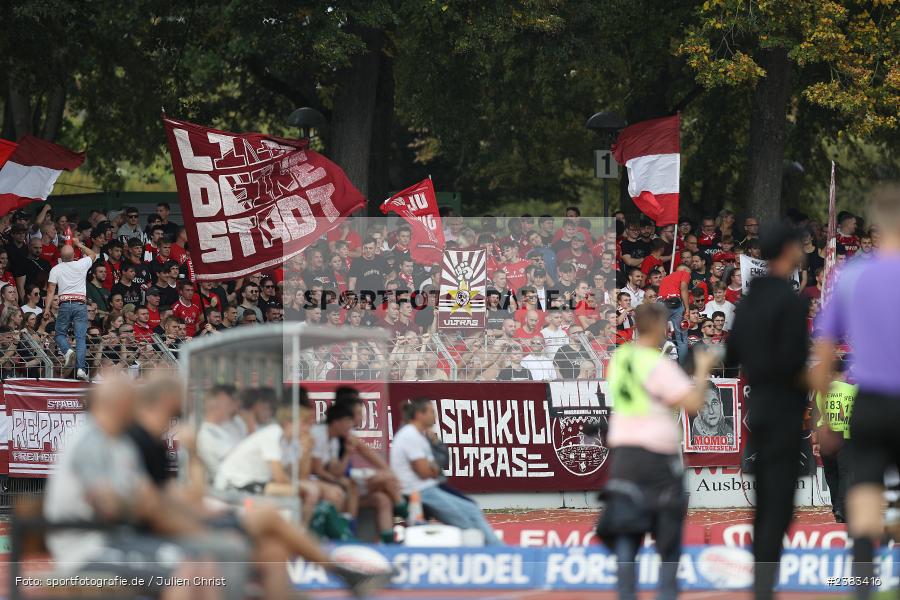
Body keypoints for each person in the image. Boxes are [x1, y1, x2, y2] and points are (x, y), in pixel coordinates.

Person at [811, 184, 900, 600]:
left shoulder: (851, 275)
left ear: (875, 226)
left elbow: (824, 353)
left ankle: (863, 583)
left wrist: (827, 418)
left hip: (869, 400)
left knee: (863, 491)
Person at [601, 303, 715, 600]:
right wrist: (702, 370)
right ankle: (666, 593)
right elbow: (692, 404)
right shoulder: (657, 363)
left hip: (624, 453)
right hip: (656, 456)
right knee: (668, 533)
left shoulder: (620, 357)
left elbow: (646, 395)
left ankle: (625, 594)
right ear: (660, 326)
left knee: (626, 528)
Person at [725, 224, 809, 600]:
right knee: (779, 504)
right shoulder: (791, 302)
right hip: (784, 410)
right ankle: (764, 588)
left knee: (764, 504)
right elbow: (794, 361)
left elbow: (731, 357)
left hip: (757, 407)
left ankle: (759, 584)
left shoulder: (748, 302)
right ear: (788, 251)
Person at [390, 397, 502, 545]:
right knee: (465, 522)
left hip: (426, 489)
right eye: (431, 412)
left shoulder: (417, 435)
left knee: (471, 510)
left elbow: (432, 468)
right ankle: (492, 550)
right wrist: (433, 468)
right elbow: (425, 472)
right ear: (419, 414)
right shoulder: (410, 435)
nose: (435, 416)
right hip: (420, 492)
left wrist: (432, 468)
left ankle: (496, 547)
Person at [45, 238, 99, 380]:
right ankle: (81, 369)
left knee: (59, 335)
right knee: (81, 338)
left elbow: (50, 291)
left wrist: (46, 309)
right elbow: (93, 254)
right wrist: (79, 244)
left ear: (60, 257)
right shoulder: (81, 264)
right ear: (74, 255)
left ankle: (67, 351)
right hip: (81, 304)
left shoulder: (55, 269)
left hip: (64, 304)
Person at [812, 360, 856, 524]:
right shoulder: (853, 391)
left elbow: (817, 418)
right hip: (846, 436)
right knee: (845, 474)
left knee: (831, 475)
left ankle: (836, 508)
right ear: (844, 373)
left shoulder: (821, 392)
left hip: (827, 437)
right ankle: (842, 509)